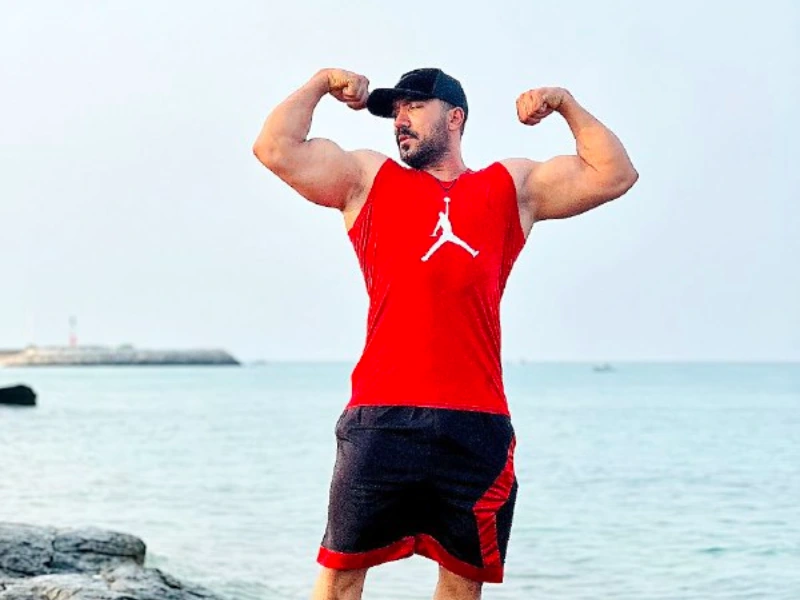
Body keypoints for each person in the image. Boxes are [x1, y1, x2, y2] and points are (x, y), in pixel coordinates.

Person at [253, 67, 638, 600]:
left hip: (475, 424)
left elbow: (614, 174)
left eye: (414, 106)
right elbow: (275, 148)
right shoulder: (367, 180)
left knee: (462, 584)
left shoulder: (510, 188)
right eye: (395, 111)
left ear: (455, 117)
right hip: (380, 417)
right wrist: (320, 82)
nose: (400, 119)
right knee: (340, 576)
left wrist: (565, 103)